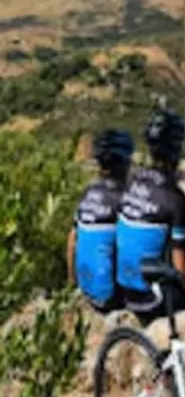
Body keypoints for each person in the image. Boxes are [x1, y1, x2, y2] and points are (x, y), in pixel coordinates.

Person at [115, 109, 185, 324]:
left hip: (122, 290)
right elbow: (179, 266)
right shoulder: (175, 198)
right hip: (152, 299)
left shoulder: (132, 182)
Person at [68, 128, 135, 312]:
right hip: (111, 299)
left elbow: (72, 241)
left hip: (86, 290)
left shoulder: (88, 194)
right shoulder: (125, 199)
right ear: (124, 163)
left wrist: (72, 283)